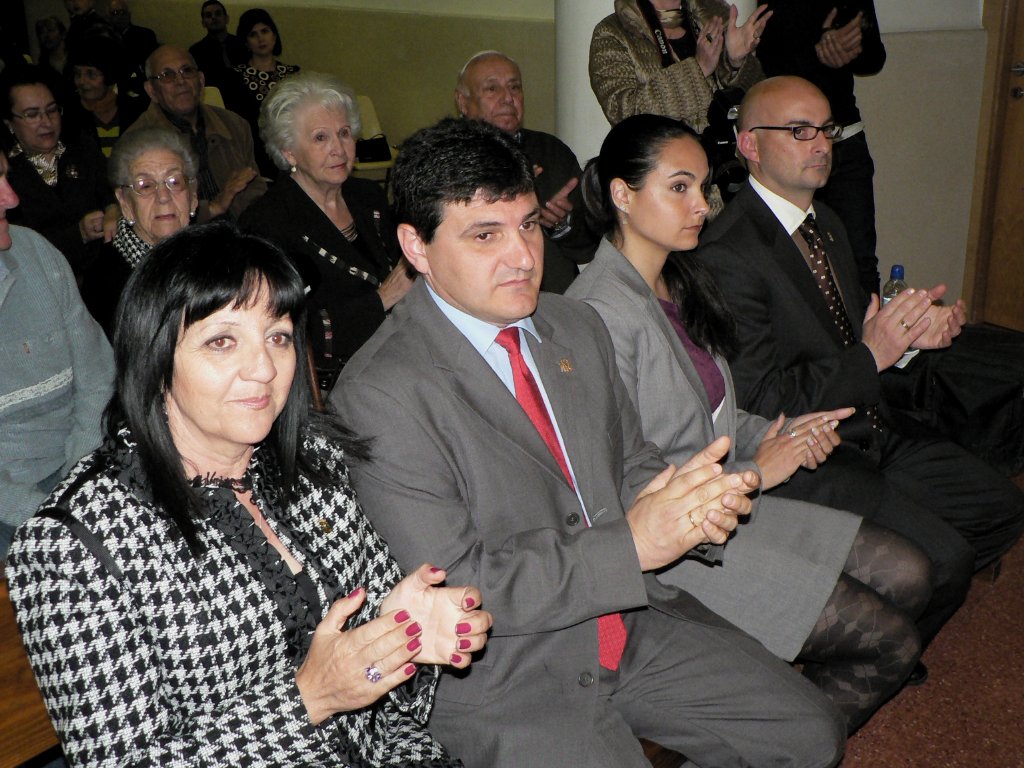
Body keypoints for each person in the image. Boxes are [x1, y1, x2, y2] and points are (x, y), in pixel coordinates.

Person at [331, 116, 845, 768]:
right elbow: (459, 584)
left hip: (628, 617)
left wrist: (686, 504)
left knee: (812, 733)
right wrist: (635, 544)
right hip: (509, 671)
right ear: (417, 246)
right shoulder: (380, 394)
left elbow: (629, 462)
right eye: (485, 235)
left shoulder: (574, 323)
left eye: (528, 225)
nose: (523, 256)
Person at [6, 221, 492, 767]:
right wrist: (308, 700)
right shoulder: (72, 545)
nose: (263, 368)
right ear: (155, 356)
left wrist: (405, 633)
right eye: (222, 341)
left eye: (278, 337)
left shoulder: (312, 462)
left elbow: (378, 702)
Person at [568, 113, 933, 730]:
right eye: (679, 187)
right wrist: (757, 471)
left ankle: (777, 711)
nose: (702, 206)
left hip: (730, 500)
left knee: (911, 574)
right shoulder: (597, 313)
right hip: (680, 547)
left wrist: (781, 434)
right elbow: (620, 478)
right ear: (622, 195)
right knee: (891, 641)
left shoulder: (675, 280)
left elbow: (714, 410)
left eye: (703, 186)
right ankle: (785, 735)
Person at [697, 76, 1024, 645]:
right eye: (799, 131)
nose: (821, 144)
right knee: (945, 560)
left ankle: (888, 618)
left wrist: (909, 343)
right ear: (750, 144)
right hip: (814, 453)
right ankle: (879, 646)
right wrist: (875, 353)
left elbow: (854, 344)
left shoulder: (826, 223)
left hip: (873, 425)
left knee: (1002, 507)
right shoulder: (726, 253)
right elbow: (761, 402)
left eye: (826, 129)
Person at [240, 73, 413, 389]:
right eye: (320, 138)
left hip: (400, 355)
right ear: (289, 152)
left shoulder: (368, 197)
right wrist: (382, 298)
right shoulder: (268, 222)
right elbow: (292, 333)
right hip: (334, 381)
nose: (339, 149)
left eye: (344, 133)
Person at [0, 148, 113, 558]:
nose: (11, 197)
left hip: (78, 471)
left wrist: (77, 484)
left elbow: (98, 377)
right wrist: (45, 516)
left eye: (5, 177)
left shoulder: (34, 252)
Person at [757, 0, 885, 296]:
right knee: (793, 262)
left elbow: (875, 58)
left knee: (860, 264)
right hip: (790, 143)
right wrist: (819, 53)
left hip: (844, 137)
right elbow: (764, 62)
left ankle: (873, 328)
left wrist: (850, 48)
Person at [455, 51, 598, 293]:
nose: (507, 98)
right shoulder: (446, 162)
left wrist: (561, 224)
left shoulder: (551, 152)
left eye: (515, 87)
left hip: (551, 300)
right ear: (462, 101)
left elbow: (588, 248)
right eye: (492, 89)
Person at [80, 128, 198, 337]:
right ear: (124, 202)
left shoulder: (216, 257)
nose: (163, 196)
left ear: (193, 195)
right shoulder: (104, 282)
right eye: (145, 186)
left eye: (174, 181)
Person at [128, 45, 266, 221]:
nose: (180, 81)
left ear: (201, 81)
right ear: (151, 90)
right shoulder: (136, 143)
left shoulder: (234, 125)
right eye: (167, 75)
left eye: (187, 71)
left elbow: (256, 190)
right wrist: (213, 208)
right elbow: (149, 217)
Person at [1, 66, 115, 278]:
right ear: (10, 124)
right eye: (32, 115)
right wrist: (78, 234)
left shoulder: (82, 149)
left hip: (102, 273)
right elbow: (17, 245)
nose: (46, 122)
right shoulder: (6, 172)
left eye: (52, 110)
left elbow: (110, 190)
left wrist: (112, 209)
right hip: (41, 279)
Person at [589, 0, 770, 133]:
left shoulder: (714, 17)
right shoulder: (612, 33)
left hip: (725, 162)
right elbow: (623, 113)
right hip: (660, 166)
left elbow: (759, 103)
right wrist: (697, 69)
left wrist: (736, 62)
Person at [226, 8, 301, 179]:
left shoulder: (292, 74)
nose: (261, 38)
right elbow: (237, 124)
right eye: (253, 34)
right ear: (246, 42)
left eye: (265, 31)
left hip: (291, 147)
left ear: (274, 36)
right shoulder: (235, 77)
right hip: (254, 152)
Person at [67, 42, 147, 157]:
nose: (82, 81)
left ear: (109, 75)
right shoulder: (70, 115)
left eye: (91, 74)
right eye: (77, 74)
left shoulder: (134, 111)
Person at [189, 0, 250, 98]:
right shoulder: (196, 51)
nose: (213, 17)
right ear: (203, 23)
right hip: (213, 100)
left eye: (218, 13)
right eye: (208, 15)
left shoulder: (243, 44)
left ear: (226, 19)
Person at [107, 0, 160, 82]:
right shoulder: (104, 38)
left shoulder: (145, 35)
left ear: (129, 15)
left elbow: (152, 65)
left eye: (123, 12)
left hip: (138, 81)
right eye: (115, 13)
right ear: (109, 17)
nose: (120, 16)